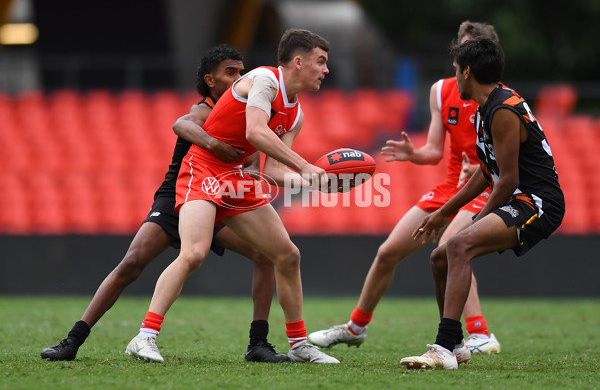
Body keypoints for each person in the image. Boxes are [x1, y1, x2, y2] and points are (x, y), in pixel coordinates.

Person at [41, 45, 288, 363]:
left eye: (242, 72)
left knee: (266, 254)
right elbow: (181, 124)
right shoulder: (205, 110)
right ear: (210, 81)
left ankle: (258, 343)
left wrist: (252, 173)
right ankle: (72, 340)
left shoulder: (249, 115)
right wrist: (213, 142)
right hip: (178, 198)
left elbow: (254, 162)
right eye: (232, 72)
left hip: (220, 199)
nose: (241, 78)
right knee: (131, 265)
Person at [124, 29, 339, 364]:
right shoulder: (264, 80)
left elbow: (274, 170)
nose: (326, 70)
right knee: (194, 253)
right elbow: (255, 131)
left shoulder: (295, 113)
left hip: (235, 176)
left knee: (287, 255)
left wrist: (315, 182)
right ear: (298, 62)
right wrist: (306, 166)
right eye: (321, 61)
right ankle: (144, 337)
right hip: (203, 169)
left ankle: (299, 344)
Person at [308, 21, 503, 358]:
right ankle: (356, 327)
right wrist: (414, 154)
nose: (466, 56)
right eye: (464, 47)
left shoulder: (498, 98)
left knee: (452, 247)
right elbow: (434, 150)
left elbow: (509, 158)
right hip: (449, 188)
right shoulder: (441, 91)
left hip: (483, 190)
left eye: (475, 47)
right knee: (388, 252)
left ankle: (479, 333)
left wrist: (486, 166)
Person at [400, 37, 565, 370]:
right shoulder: (486, 107)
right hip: (517, 198)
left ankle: (444, 348)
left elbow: (508, 179)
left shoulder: (503, 109)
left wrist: (474, 221)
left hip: (537, 203)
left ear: (467, 72)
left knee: (459, 246)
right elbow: (484, 172)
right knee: (439, 258)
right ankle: (458, 345)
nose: (454, 78)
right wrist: (443, 214)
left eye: (455, 71)